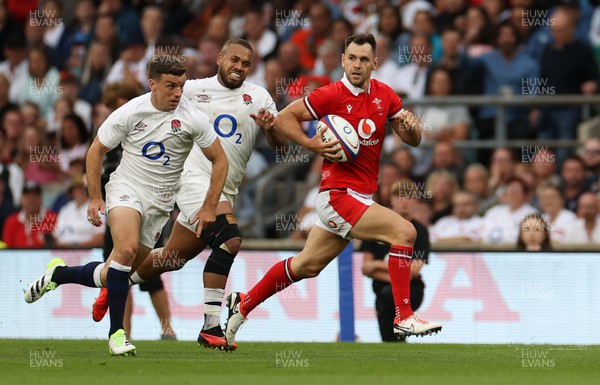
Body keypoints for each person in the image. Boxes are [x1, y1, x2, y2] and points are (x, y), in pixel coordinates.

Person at [224, 33, 442, 348]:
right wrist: (312, 144)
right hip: (337, 195)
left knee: (305, 266)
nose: (357, 64)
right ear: (342, 60)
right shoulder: (331, 94)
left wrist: (411, 125)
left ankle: (242, 305)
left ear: (374, 63)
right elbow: (285, 118)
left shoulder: (386, 96)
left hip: (358, 197)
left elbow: (414, 140)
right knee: (405, 232)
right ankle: (403, 316)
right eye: (351, 58)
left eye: (364, 59)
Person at [23, 56, 228, 357]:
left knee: (116, 272)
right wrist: (95, 197)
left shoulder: (192, 117)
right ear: (152, 83)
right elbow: (96, 151)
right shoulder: (131, 112)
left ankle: (59, 275)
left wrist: (210, 205)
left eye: (181, 86)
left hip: (160, 206)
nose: (177, 93)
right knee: (127, 249)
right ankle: (117, 334)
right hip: (126, 190)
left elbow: (219, 159)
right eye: (170, 86)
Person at [92, 38, 288, 350]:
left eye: (246, 63)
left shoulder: (260, 97)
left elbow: (281, 146)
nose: (239, 67)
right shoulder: (194, 90)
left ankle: (116, 281)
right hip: (191, 178)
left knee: (172, 258)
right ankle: (211, 326)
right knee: (230, 238)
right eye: (233, 59)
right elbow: (153, 104)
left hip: (226, 186)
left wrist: (269, 128)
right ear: (220, 58)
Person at [362, 179, 431, 342]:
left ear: (415, 201)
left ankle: (403, 323)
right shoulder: (377, 227)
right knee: (388, 340)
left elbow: (412, 272)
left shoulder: (420, 231)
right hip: (382, 290)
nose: (405, 201)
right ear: (391, 199)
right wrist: (397, 272)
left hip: (410, 289)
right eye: (400, 196)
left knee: (388, 295)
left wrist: (377, 265)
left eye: (409, 196)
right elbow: (365, 268)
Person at [2, 181, 57, 248]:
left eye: (35, 195)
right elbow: (7, 250)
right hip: (17, 258)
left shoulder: (53, 218)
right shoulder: (11, 221)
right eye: (27, 195)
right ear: (21, 199)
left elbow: (60, 247)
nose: (31, 199)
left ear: (41, 198)